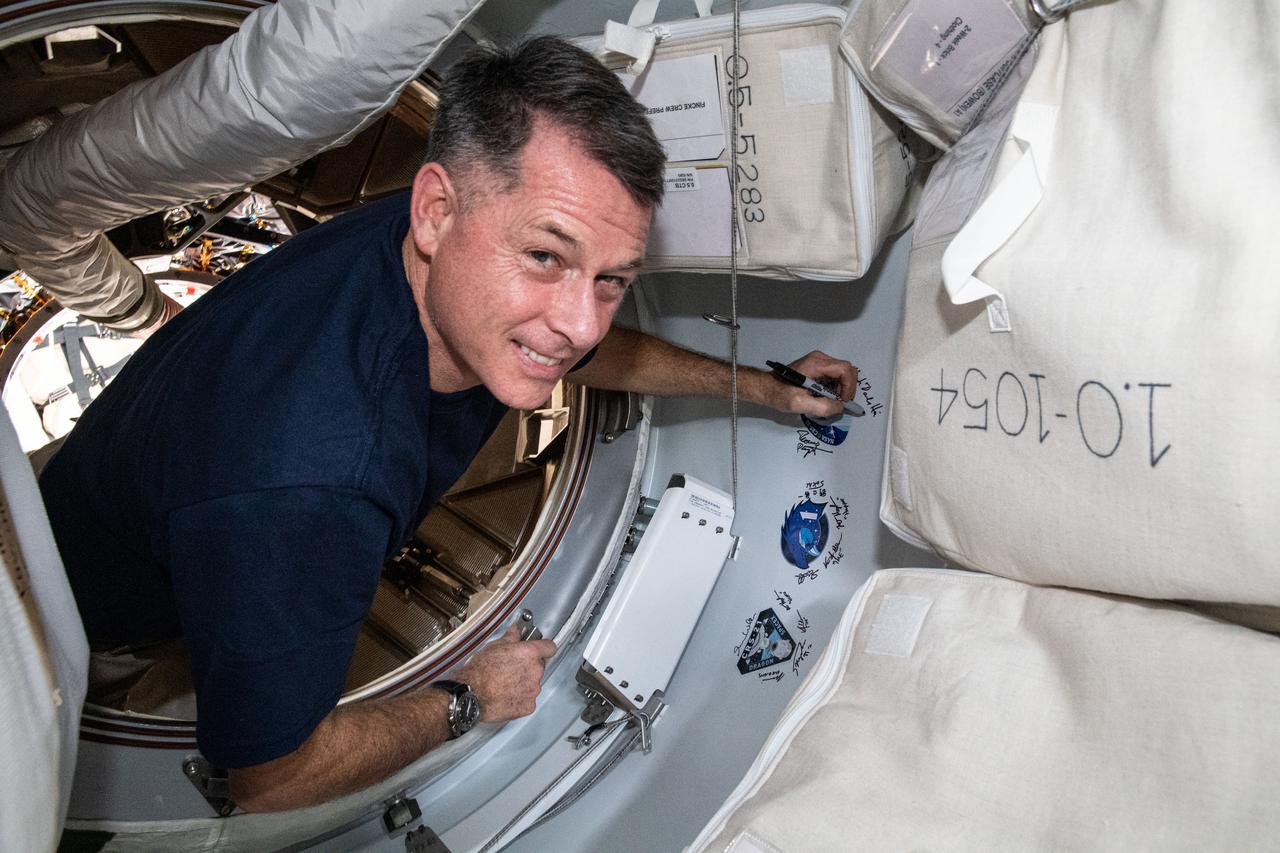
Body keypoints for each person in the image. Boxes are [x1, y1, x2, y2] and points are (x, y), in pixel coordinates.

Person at [37, 36, 857, 813]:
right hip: (96, 618)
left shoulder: (440, 244)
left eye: (611, 279)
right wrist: (469, 696)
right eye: (547, 255)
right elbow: (268, 776)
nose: (580, 324)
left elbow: (574, 349)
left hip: (113, 477)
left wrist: (763, 386)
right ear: (436, 210)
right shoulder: (312, 485)